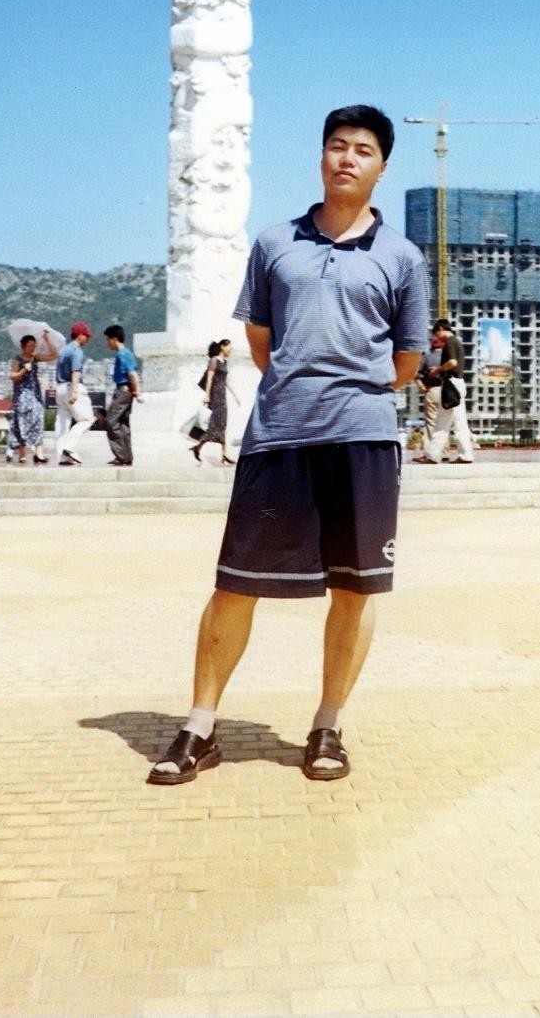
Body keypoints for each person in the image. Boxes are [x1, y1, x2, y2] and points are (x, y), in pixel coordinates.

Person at [149, 105, 429, 787]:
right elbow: (260, 339)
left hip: (361, 438)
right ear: (321, 156)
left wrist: (351, 389)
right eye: (337, 145)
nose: (347, 158)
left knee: (354, 590)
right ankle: (199, 727)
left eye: (363, 150)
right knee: (234, 585)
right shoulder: (275, 243)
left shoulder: (402, 257)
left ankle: (328, 725)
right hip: (278, 436)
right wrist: (302, 384)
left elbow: (408, 359)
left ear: (382, 167)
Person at [423, 319, 476, 464]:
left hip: (451, 384)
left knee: (443, 421)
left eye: (436, 334)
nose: (436, 338)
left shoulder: (450, 342)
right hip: (457, 383)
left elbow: (453, 362)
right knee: (459, 423)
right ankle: (466, 455)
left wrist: (437, 370)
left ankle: (432, 455)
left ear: (441, 329)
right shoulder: (456, 341)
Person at [6, 331, 57, 464]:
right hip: (22, 395)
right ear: (23, 346)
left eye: (34, 345)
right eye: (30, 346)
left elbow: (53, 355)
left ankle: (39, 453)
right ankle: (22, 453)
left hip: (35, 394)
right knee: (21, 422)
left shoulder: (35, 358)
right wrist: (24, 370)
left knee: (38, 420)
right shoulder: (17, 359)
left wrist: (47, 340)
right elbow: (13, 376)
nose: (32, 348)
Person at [193, 339, 240, 465]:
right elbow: (209, 378)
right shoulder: (214, 360)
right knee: (213, 424)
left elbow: (226, 380)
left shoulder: (225, 362)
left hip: (222, 396)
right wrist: (207, 395)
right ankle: (201, 447)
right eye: (229, 347)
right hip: (214, 396)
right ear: (222, 347)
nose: (230, 349)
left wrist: (235, 395)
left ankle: (222, 454)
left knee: (222, 423)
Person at [55, 323, 95, 466]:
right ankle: (69, 447)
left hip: (59, 387)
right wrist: (75, 391)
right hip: (71, 386)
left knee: (62, 424)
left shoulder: (63, 350)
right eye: (86, 335)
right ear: (80, 335)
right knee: (87, 419)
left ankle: (62, 457)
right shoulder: (77, 351)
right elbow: (75, 371)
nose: (88, 338)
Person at [104, 325, 141, 467]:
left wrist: (137, 391)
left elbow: (132, 374)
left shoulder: (122, 354)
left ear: (114, 339)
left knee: (111, 421)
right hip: (126, 390)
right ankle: (126, 456)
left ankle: (121, 455)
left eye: (108, 340)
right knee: (123, 424)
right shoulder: (127, 353)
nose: (107, 343)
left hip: (123, 390)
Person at [412, 330, 444, 463]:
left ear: (431, 342)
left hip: (432, 391)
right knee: (444, 424)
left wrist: (422, 387)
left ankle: (433, 454)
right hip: (448, 392)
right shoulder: (448, 356)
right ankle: (445, 452)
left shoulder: (427, 357)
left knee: (431, 423)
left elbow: (416, 374)